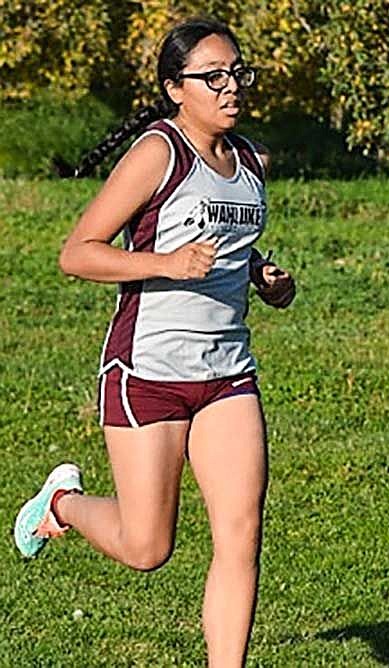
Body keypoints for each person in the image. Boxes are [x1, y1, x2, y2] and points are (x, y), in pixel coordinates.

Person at [14, 17, 295, 667]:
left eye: (238, 74)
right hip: (147, 371)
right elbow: (76, 254)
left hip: (227, 373)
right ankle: (59, 501)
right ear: (176, 88)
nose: (232, 88)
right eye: (213, 77)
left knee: (240, 534)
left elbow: (229, 249)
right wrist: (165, 264)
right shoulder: (158, 154)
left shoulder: (252, 161)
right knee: (147, 548)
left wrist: (265, 277)